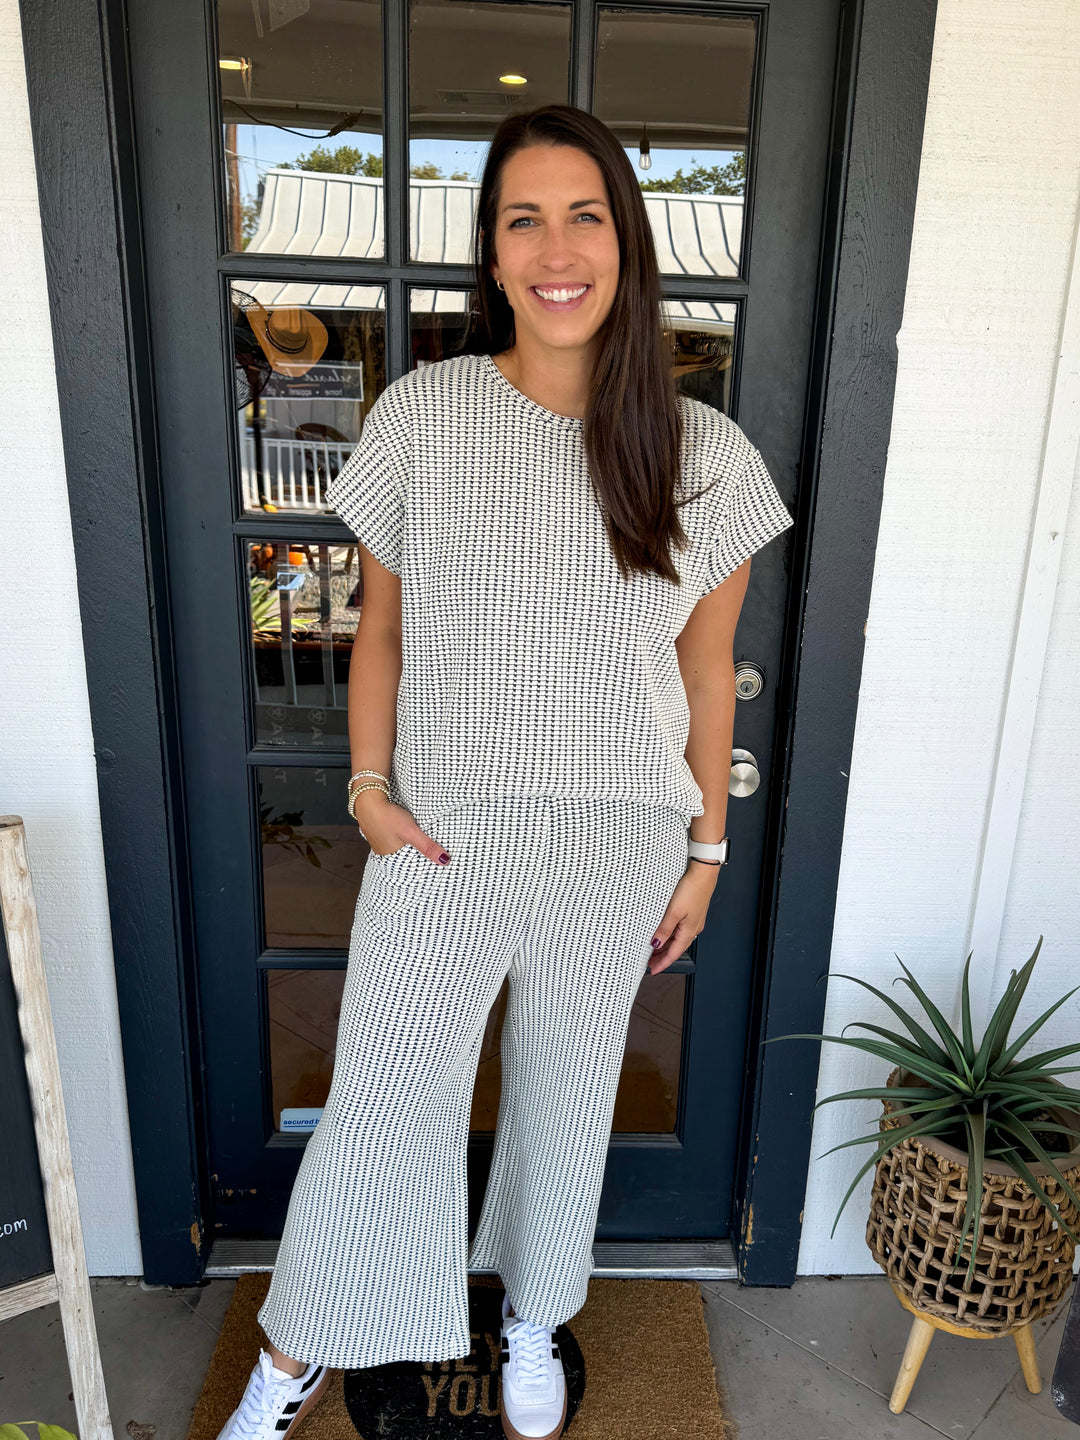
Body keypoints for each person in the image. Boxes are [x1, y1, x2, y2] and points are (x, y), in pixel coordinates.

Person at [217, 103, 793, 1440]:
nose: (557, 250)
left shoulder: (705, 454)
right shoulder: (424, 415)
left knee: (568, 1093)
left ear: (625, 242)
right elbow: (382, 632)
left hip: (618, 840)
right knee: (381, 1104)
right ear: (491, 254)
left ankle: (534, 1314)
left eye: (585, 216)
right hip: (445, 835)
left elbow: (707, 674)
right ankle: (292, 1362)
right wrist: (368, 792)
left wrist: (707, 851)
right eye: (524, 220)